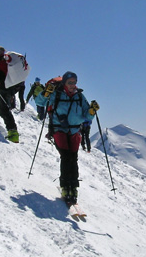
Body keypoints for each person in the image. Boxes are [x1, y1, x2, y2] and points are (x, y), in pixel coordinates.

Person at [35, 71, 99, 205]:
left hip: (75, 130)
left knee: (73, 157)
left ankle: (73, 187)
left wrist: (92, 111)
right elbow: (39, 101)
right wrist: (46, 92)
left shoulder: (79, 96)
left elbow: (87, 116)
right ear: (64, 83)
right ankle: (66, 186)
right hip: (59, 129)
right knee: (66, 157)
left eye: (75, 82)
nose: (73, 85)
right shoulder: (56, 94)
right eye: (70, 82)